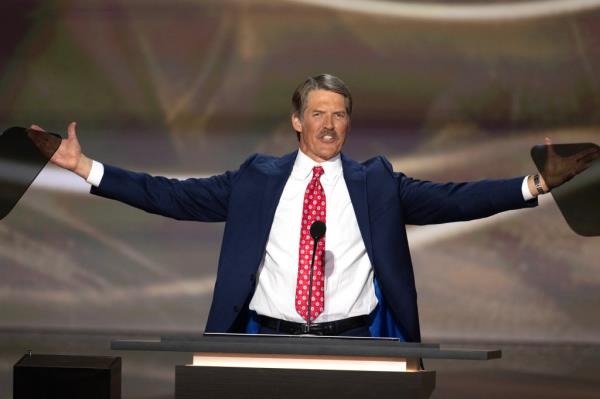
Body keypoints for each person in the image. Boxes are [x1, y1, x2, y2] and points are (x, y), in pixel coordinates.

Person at [30, 74, 598, 341]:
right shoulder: (256, 179)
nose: (330, 124)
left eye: (341, 114)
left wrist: (531, 185)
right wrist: (86, 168)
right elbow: (171, 196)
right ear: (298, 121)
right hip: (265, 338)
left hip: (356, 341)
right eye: (319, 113)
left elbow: (453, 200)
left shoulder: (375, 182)